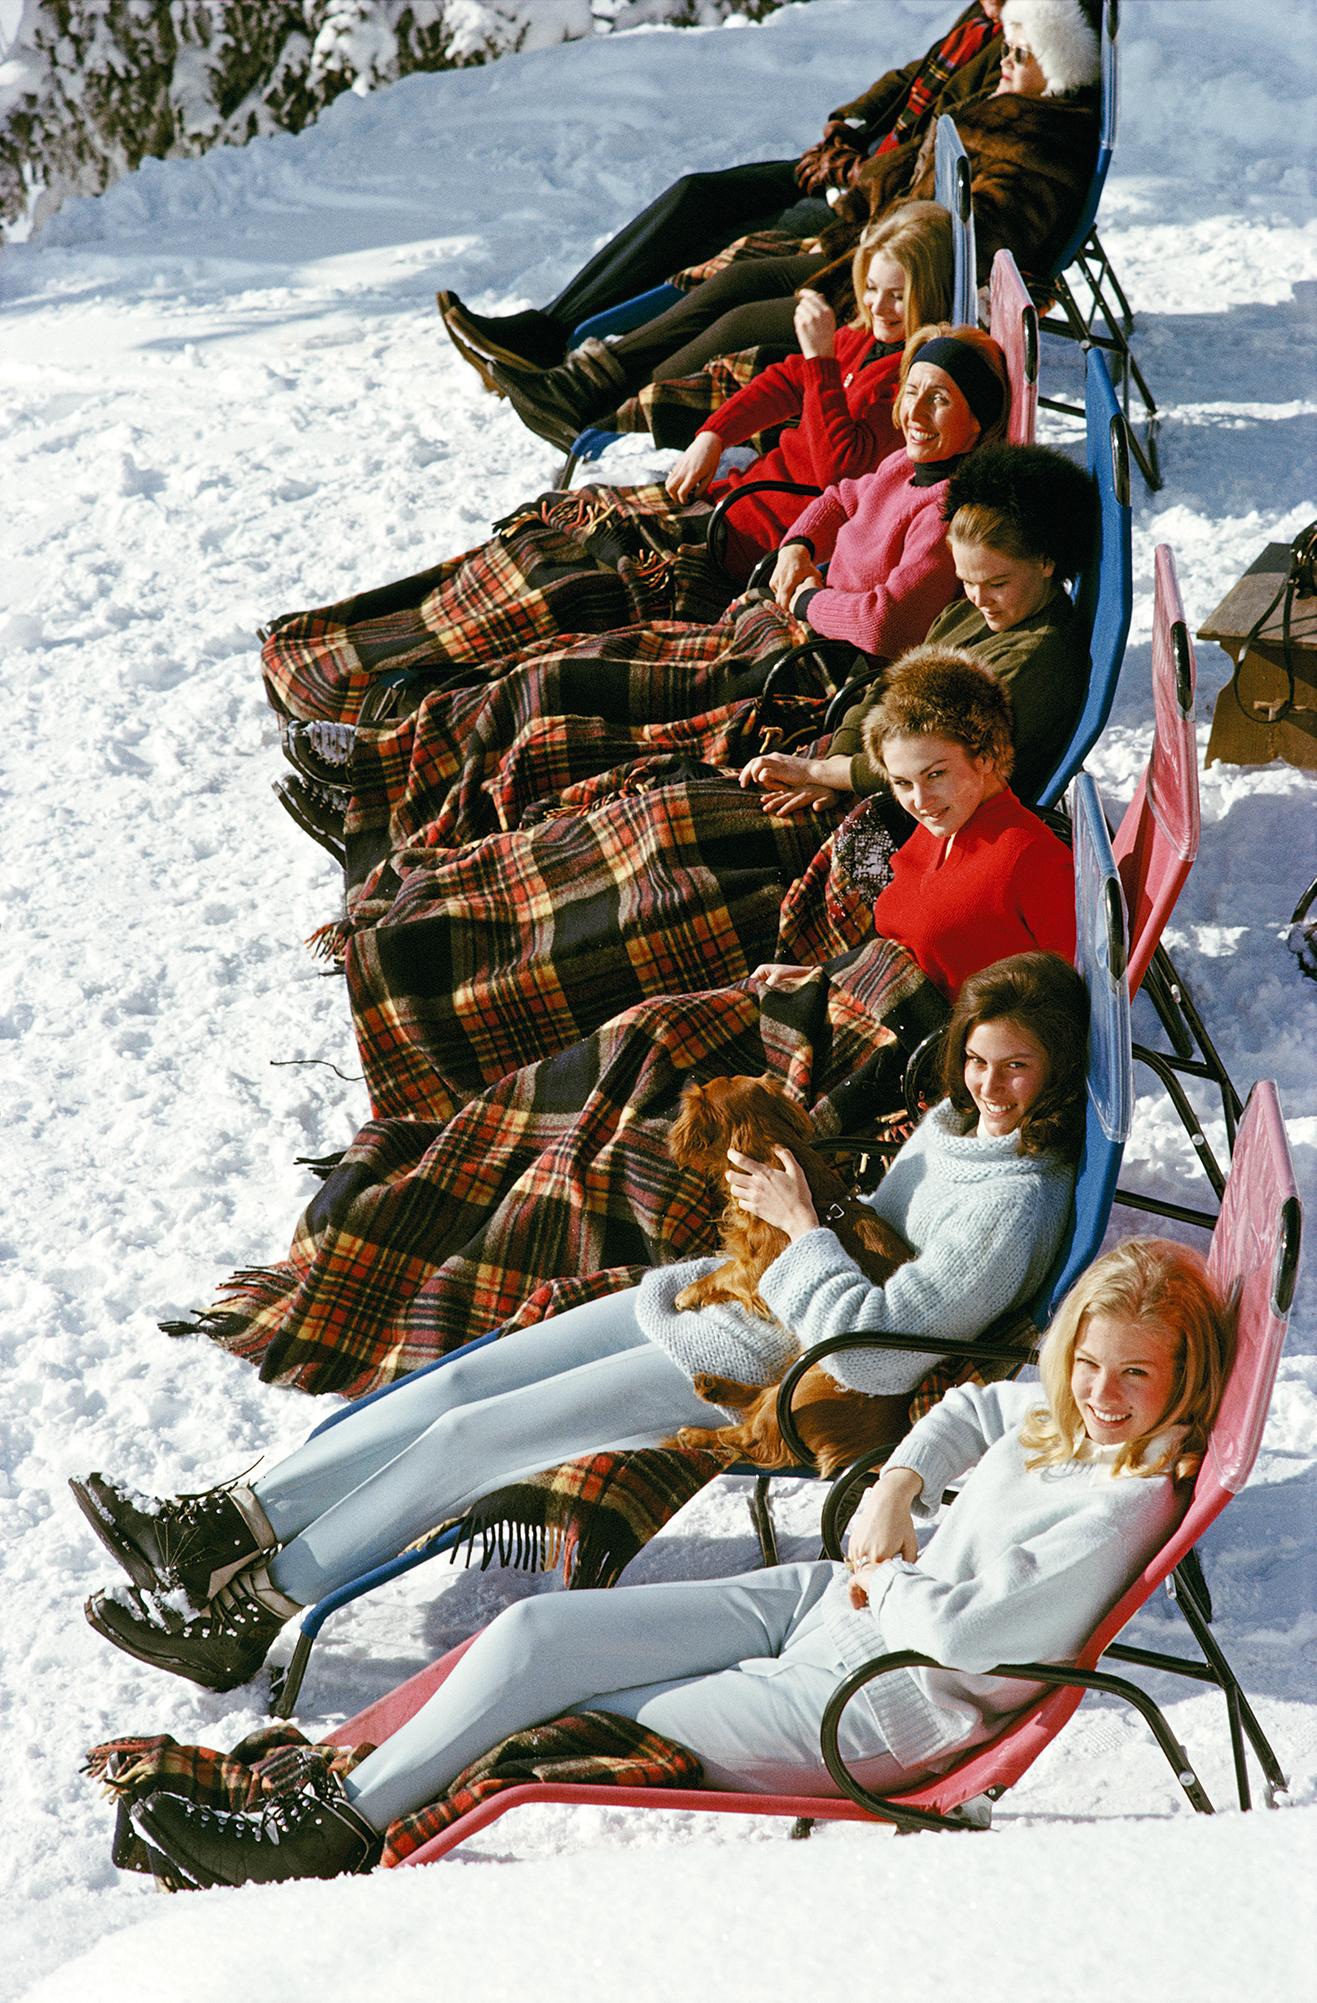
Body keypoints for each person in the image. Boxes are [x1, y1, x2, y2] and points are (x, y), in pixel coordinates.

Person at [78, 951, 1087, 1697]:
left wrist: (803, 1225)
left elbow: (874, 1346)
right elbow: (871, 1227)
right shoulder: (960, 1125)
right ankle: (227, 1522)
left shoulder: (1015, 1204)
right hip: (741, 1290)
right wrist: (794, 1195)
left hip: (770, 1357)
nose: (988, 1087)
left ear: (1056, 1073)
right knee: (467, 1379)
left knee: (476, 1440)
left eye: (1015, 1070)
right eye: (978, 1061)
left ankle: (256, 1609)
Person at [108, 1235, 1233, 1884]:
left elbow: (973, 1634)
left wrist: (886, 1569)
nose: (1102, 1392)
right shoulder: (1073, 1416)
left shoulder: (1123, 1501)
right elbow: (985, 1404)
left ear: (1182, 1379)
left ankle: (323, 1834)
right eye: (1091, 1361)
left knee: (547, 1714)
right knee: (533, 1635)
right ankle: (342, 1791)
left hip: (872, 1697)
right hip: (832, 1607)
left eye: (1137, 1376)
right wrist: (896, 1484)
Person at [266, 322, 1006, 780]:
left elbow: (886, 624)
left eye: (938, 399)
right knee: (565, 658)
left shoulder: (946, 510)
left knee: (566, 685)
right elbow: (841, 494)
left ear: (975, 423)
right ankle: (379, 723)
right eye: (911, 390)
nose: (913, 411)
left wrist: (811, 598)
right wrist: (798, 544)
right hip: (763, 617)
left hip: (796, 662)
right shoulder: (907, 466)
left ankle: (378, 761)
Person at [476, 1, 1097, 450]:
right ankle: (586, 381)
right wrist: (853, 159)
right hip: (881, 248)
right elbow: (911, 111)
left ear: (1059, 66)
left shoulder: (1036, 141)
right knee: (732, 277)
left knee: (738, 315)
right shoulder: (1010, 99)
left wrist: (875, 221)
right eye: (1010, 46)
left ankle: (601, 408)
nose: (1007, 59)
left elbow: (973, 233)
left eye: (1022, 52)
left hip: (916, 287)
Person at [435, 5, 1003, 377]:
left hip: (870, 204)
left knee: (723, 246)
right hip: (846, 168)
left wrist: (854, 171)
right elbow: (907, 80)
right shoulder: (980, 16)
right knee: (695, 196)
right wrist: (847, 127)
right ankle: (549, 328)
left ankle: (590, 368)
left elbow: (942, 151)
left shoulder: (1014, 54)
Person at [742, 438, 1096, 815]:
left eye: (997, 583)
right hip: (864, 773)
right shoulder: (966, 616)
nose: (978, 597)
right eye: (967, 581)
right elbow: (888, 687)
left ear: (1047, 562)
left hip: (923, 814)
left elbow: (935, 762)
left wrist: (824, 772)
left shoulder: (1032, 660)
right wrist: (834, 768)